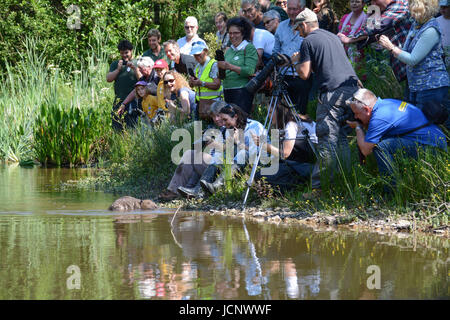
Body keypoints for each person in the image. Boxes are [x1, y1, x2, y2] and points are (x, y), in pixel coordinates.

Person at [291, 8, 360, 199]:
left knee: (326, 139)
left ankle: (319, 189)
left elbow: (304, 74)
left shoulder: (308, 41)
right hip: (352, 90)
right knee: (342, 139)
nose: (298, 32)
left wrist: (296, 61)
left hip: (332, 93)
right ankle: (344, 182)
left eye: (298, 28)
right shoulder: (332, 37)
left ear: (304, 25)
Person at [346, 88, 447, 185]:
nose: (355, 117)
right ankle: (402, 177)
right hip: (436, 141)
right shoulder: (386, 103)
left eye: (356, 113)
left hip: (433, 148)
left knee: (380, 147)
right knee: (383, 141)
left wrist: (358, 128)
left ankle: (391, 191)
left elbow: (366, 150)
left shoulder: (379, 117)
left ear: (366, 109)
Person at [378, 0, 449, 123]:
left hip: (431, 85)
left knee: (427, 124)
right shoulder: (416, 25)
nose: (413, 14)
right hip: (416, 84)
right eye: (412, 10)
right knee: (417, 122)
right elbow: (405, 51)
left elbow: (413, 59)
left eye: (417, 12)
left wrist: (391, 47)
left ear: (427, 11)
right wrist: (387, 46)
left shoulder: (431, 30)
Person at [159, 101, 227, 201]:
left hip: (221, 168)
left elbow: (231, 148)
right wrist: (203, 139)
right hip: (211, 164)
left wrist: (214, 144)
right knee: (190, 155)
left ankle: (175, 191)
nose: (216, 119)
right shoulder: (215, 130)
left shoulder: (232, 128)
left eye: (218, 116)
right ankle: (180, 190)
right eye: (214, 116)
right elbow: (196, 147)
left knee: (189, 155)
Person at [338, 0, 414, 84]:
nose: (373, 4)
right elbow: (370, 34)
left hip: (415, 67)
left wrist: (350, 39)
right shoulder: (382, 9)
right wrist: (372, 12)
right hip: (406, 69)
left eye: (374, 0)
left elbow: (377, 26)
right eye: (370, 3)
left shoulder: (399, 4)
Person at [199, 103, 266, 195]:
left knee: (243, 153)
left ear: (235, 116)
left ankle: (217, 185)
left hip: (260, 160)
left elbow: (257, 152)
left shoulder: (255, 126)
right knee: (220, 155)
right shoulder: (230, 129)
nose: (223, 123)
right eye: (222, 120)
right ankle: (199, 189)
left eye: (225, 120)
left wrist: (238, 142)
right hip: (239, 162)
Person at [252, 105, 317, 192]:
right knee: (264, 174)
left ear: (279, 112)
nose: (268, 116)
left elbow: (285, 154)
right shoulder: (294, 120)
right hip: (307, 164)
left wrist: (263, 145)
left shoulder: (291, 124)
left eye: (270, 112)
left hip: (305, 166)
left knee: (261, 176)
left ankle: (299, 184)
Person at [273, 0, 312, 116]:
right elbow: (275, 51)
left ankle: (300, 133)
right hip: (284, 77)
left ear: (302, 9)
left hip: (302, 75)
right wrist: (280, 60)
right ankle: (282, 134)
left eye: (294, 9)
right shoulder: (281, 26)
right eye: (289, 9)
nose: (291, 12)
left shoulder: (309, 26)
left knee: (300, 114)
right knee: (283, 114)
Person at [218, 17, 259, 115]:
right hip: (227, 91)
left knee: (241, 122)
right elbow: (224, 71)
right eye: (230, 33)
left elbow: (250, 70)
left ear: (243, 33)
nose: (232, 36)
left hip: (242, 92)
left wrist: (229, 66)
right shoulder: (229, 50)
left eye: (236, 33)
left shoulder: (249, 48)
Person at [106, 40, 139, 131]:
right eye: (122, 53)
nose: (124, 55)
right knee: (117, 126)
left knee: (133, 127)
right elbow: (109, 79)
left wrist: (134, 68)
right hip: (119, 100)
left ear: (131, 51)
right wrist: (118, 70)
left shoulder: (137, 63)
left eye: (126, 53)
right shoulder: (116, 64)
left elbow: (142, 80)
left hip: (134, 101)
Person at [188, 41, 223, 120]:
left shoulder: (214, 64)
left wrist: (201, 83)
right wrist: (192, 82)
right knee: (198, 129)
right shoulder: (197, 67)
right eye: (195, 55)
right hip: (201, 104)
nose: (197, 57)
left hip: (214, 104)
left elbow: (217, 85)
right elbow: (193, 85)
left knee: (214, 130)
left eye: (198, 54)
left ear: (206, 51)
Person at [337, 0, 368, 80]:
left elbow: (368, 34)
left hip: (359, 54)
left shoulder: (368, 18)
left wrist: (350, 40)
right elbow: (340, 32)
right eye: (352, 1)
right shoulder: (345, 17)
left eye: (357, 2)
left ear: (363, 4)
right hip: (343, 53)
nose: (354, 4)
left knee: (358, 78)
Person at [437, 0, 450, 73]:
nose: (442, 9)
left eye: (445, 7)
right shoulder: (436, 21)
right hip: (442, 53)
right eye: (441, 7)